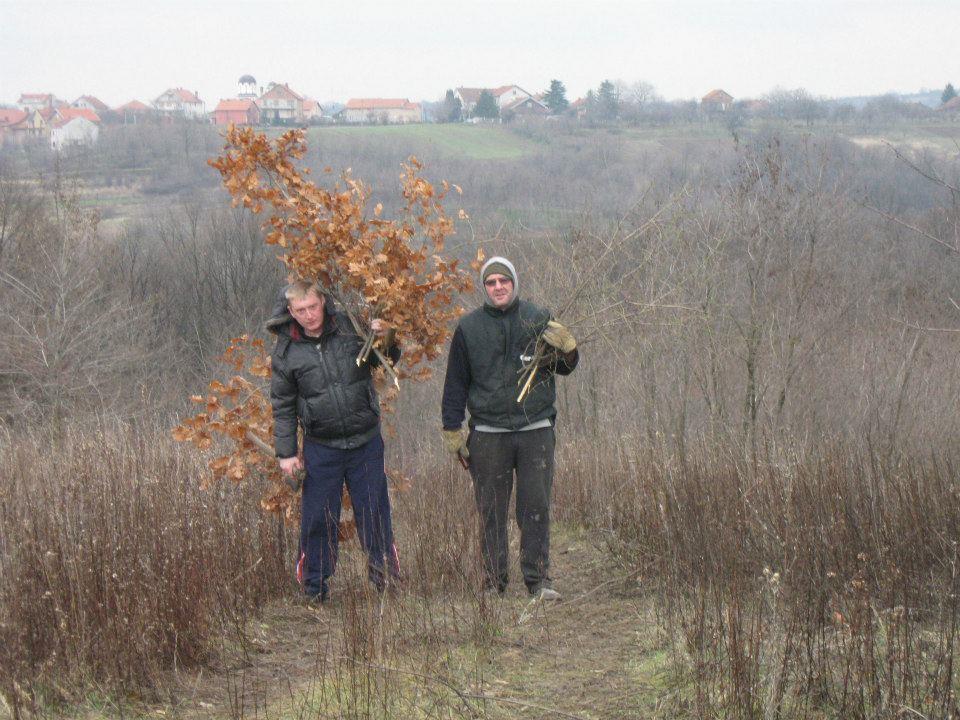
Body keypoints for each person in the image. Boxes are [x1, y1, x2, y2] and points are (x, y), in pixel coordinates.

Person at [441, 256, 579, 601]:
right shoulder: (469, 329)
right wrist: (452, 429)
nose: (498, 287)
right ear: (484, 288)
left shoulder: (538, 319)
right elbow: (455, 383)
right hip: (488, 434)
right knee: (491, 511)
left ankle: (538, 580)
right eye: (491, 282)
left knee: (535, 507)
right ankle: (493, 582)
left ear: (514, 283)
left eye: (504, 281)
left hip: (536, 429)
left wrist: (569, 347)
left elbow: (565, 367)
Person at [267, 280, 401, 603]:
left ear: (323, 302)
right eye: (301, 310)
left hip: (365, 440)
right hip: (321, 446)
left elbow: (388, 359)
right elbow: (283, 406)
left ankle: (386, 581)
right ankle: (315, 588)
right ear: (290, 312)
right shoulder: (285, 352)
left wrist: (386, 337)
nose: (309, 315)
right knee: (318, 517)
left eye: (313, 306)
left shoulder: (349, 326)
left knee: (374, 512)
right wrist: (286, 455)